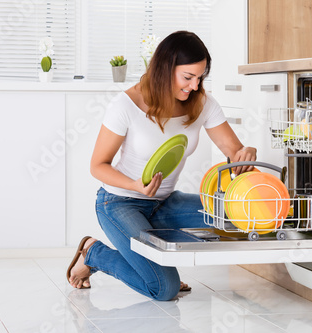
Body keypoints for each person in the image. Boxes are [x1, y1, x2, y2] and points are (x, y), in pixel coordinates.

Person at [66, 31, 257, 301]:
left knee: (234, 213)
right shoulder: (126, 105)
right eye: (188, 77)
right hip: (120, 203)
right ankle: (94, 253)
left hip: (165, 203)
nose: (194, 86)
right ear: (165, 68)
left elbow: (234, 151)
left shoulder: (202, 103)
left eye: (200, 78)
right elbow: (98, 166)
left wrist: (245, 153)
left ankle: (152, 263)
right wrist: (135, 185)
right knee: (164, 289)